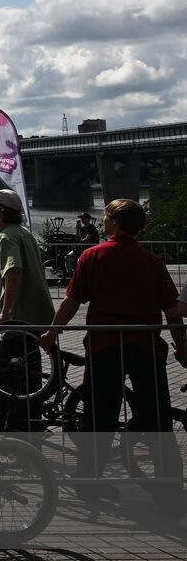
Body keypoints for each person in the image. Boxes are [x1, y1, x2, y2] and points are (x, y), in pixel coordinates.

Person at [39, 199, 185, 508]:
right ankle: (169, 488)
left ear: (115, 223)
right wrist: (182, 348)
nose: (103, 220)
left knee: (99, 417)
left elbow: (71, 302)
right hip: (145, 347)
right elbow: (172, 311)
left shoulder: (92, 256)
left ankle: (88, 481)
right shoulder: (152, 261)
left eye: (106, 216)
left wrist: (52, 333)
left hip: (104, 346)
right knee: (157, 418)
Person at [0, 189, 54, 431]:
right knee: (30, 380)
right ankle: (33, 427)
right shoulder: (24, 233)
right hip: (37, 317)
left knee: (8, 383)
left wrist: (5, 314)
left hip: (18, 322)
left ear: (1, 209)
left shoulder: (7, 237)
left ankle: (15, 434)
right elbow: (11, 278)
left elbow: (15, 272)